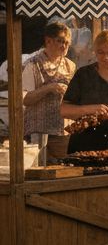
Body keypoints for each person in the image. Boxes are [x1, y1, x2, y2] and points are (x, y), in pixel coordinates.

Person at [21, 21, 75, 159]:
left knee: (64, 171)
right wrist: (49, 88)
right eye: (60, 41)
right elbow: (25, 99)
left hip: (63, 131)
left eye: (67, 43)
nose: (64, 46)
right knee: (38, 171)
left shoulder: (70, 66)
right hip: (38, 132)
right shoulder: (32, 65)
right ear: (48, 41)